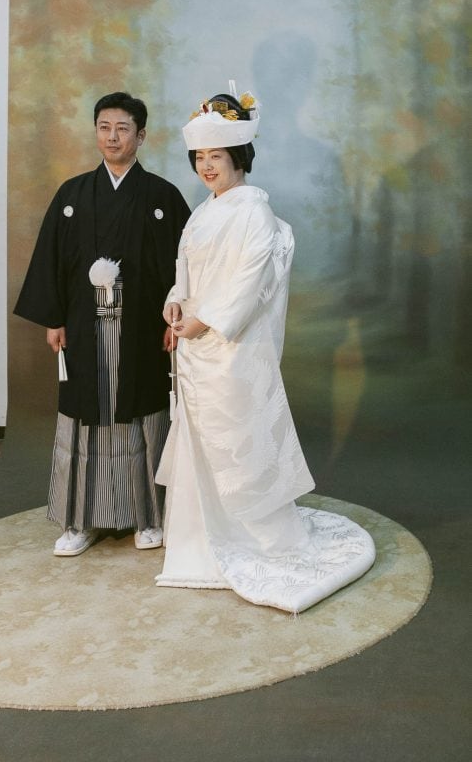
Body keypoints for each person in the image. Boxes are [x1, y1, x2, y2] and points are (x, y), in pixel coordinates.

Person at [155, 90, 375, 613]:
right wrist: (175, 303)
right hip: (195, 344)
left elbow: (247, 283)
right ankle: (195, 548)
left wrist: (204, 320)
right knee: (202, 442)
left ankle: (255, 540)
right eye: (200, 159)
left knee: (238, 439)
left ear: (238, 159)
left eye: (217, 158)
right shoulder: (204, 212)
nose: (207, 167)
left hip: (233, 350)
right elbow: (186, 272)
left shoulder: (254, 210)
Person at [14, 92, 191, 557]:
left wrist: (177, 316)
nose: (112, 137)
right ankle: (80, 520)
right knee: (85, 416)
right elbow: (52, 260)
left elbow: (185, 265)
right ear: (96, 131)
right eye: (104, 127)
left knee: (144, 415)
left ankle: (149, 515)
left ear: (142, 136)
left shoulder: (161, 197)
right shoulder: (72, 196)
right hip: (83, 325)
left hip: (141, 330)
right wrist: (54, 318)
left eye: (123, 128)